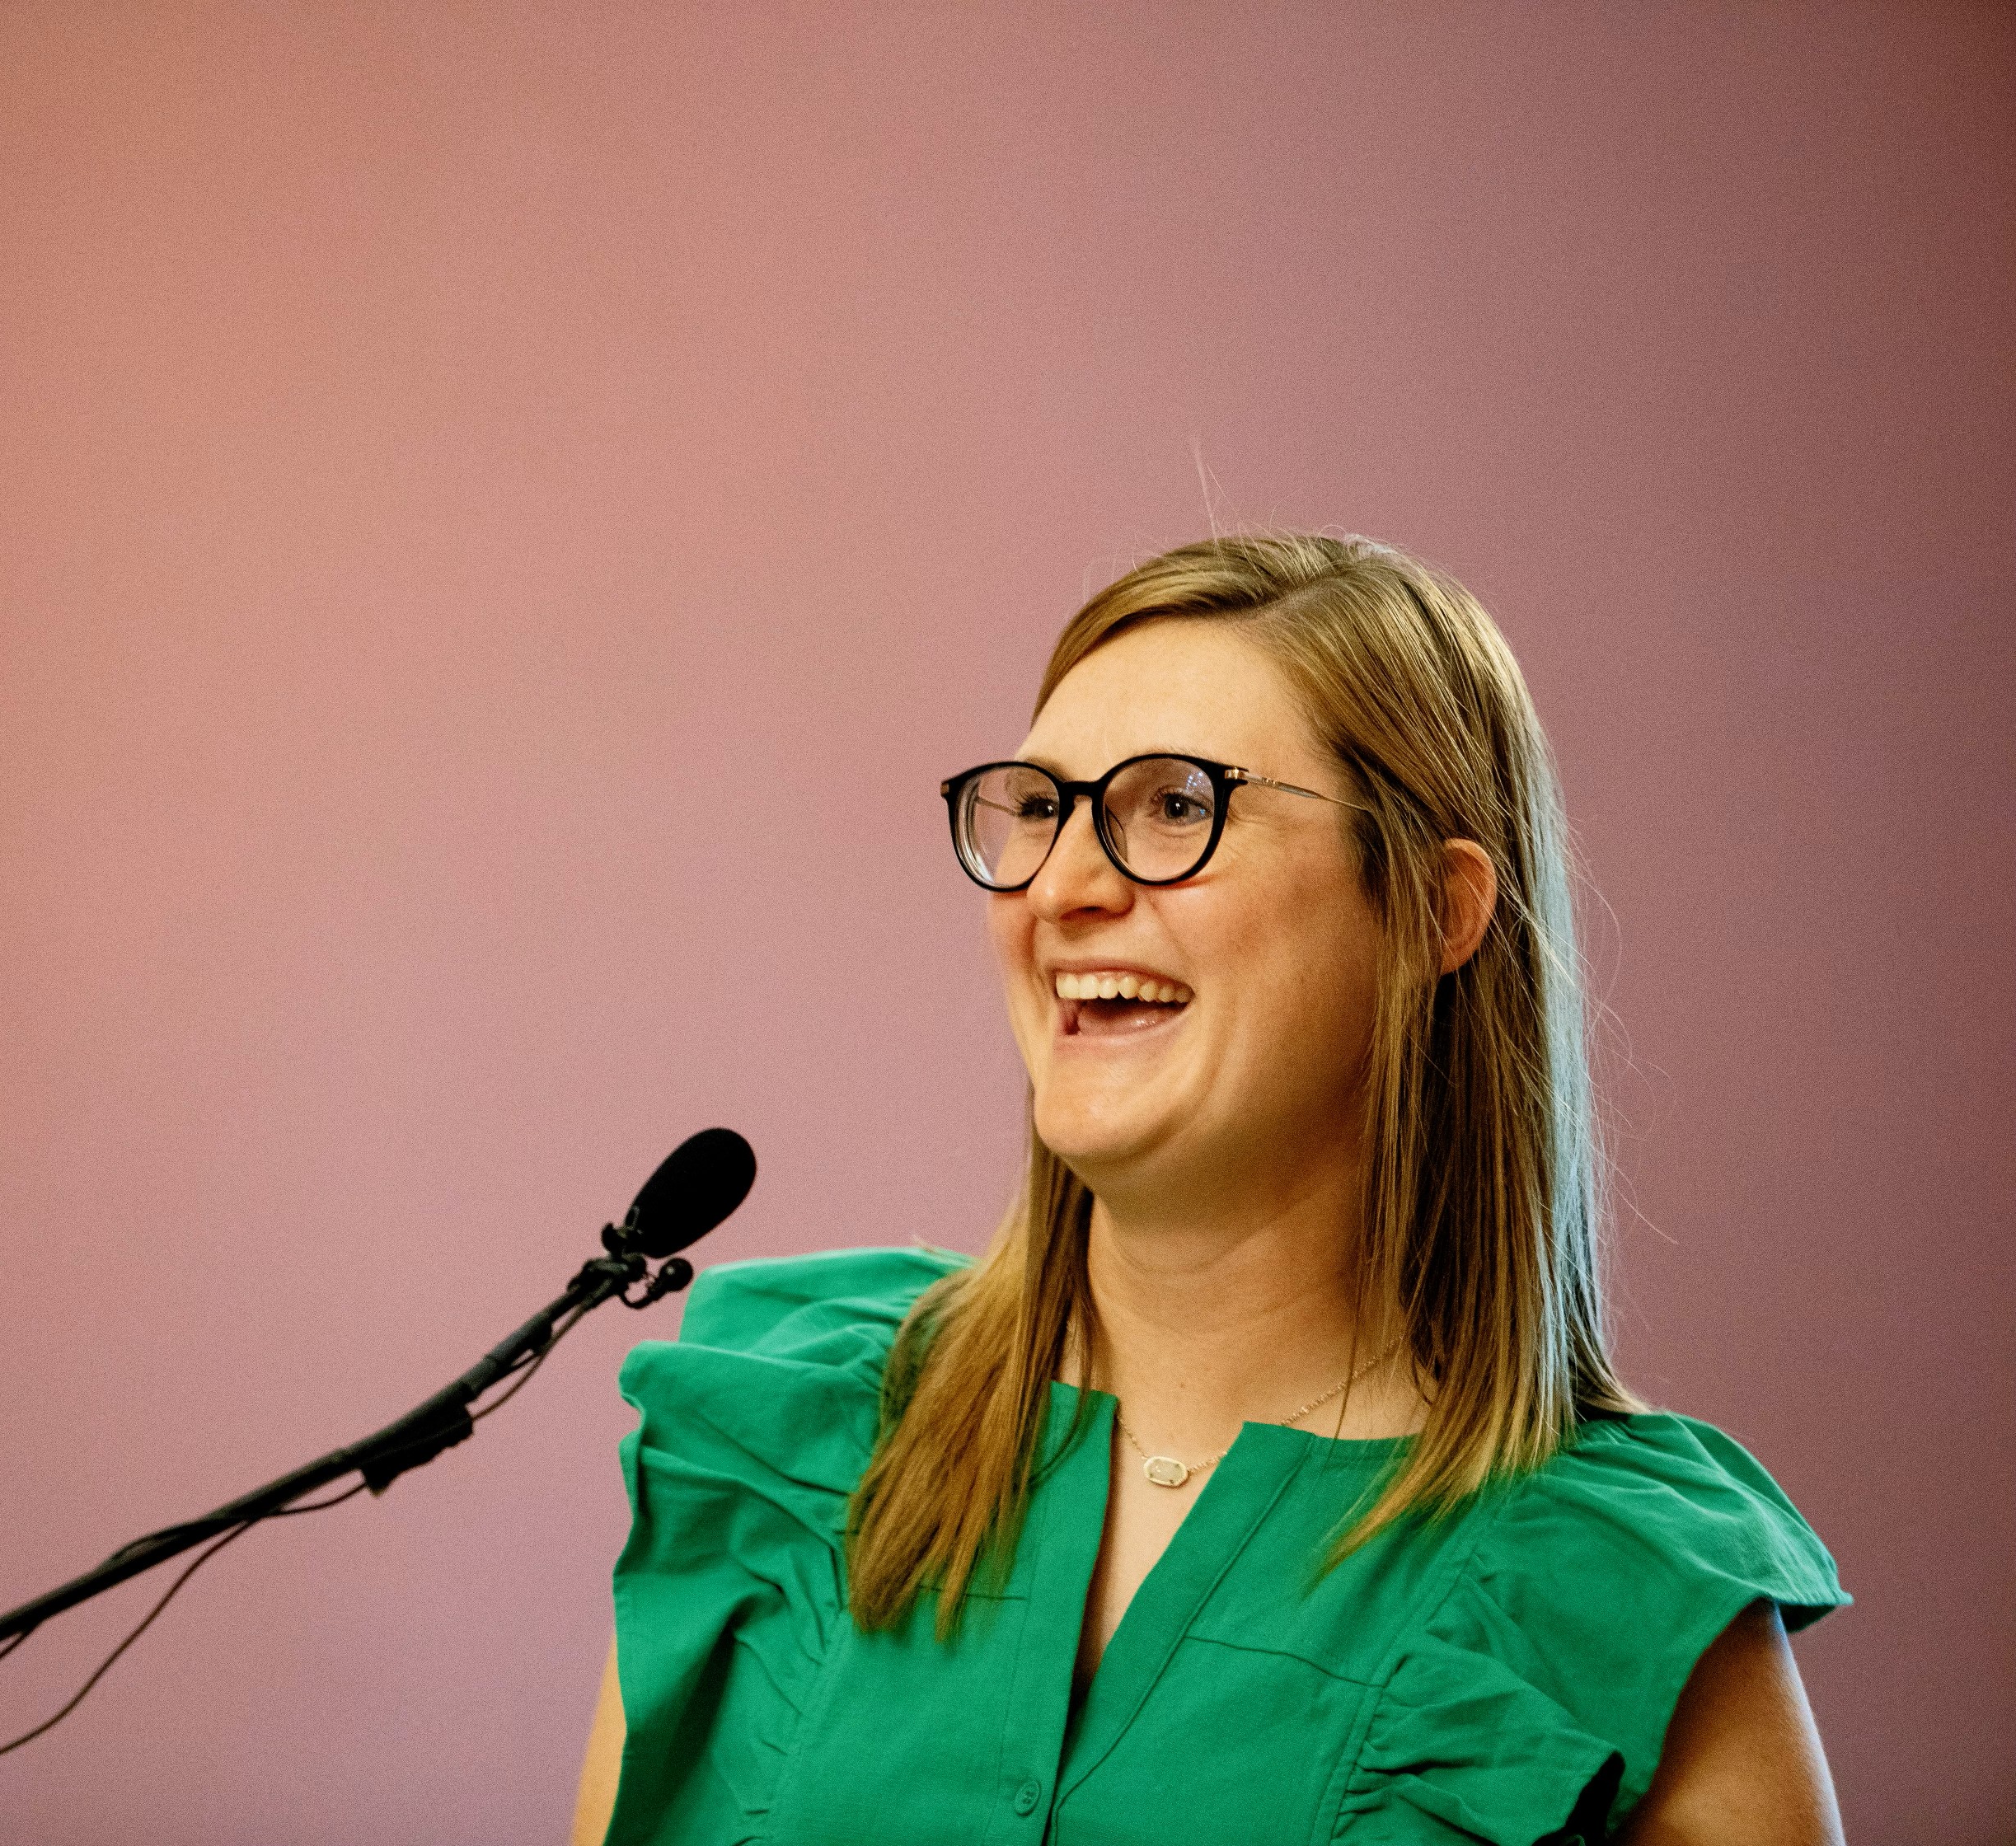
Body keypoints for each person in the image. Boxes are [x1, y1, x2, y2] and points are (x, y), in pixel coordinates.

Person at [570, 535, 1846, 1845]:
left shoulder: (1617, 1599)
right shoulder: (789, 1447)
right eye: (1040, 809)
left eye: (1176, 806)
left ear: (1435, 910)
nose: (1062, 888)